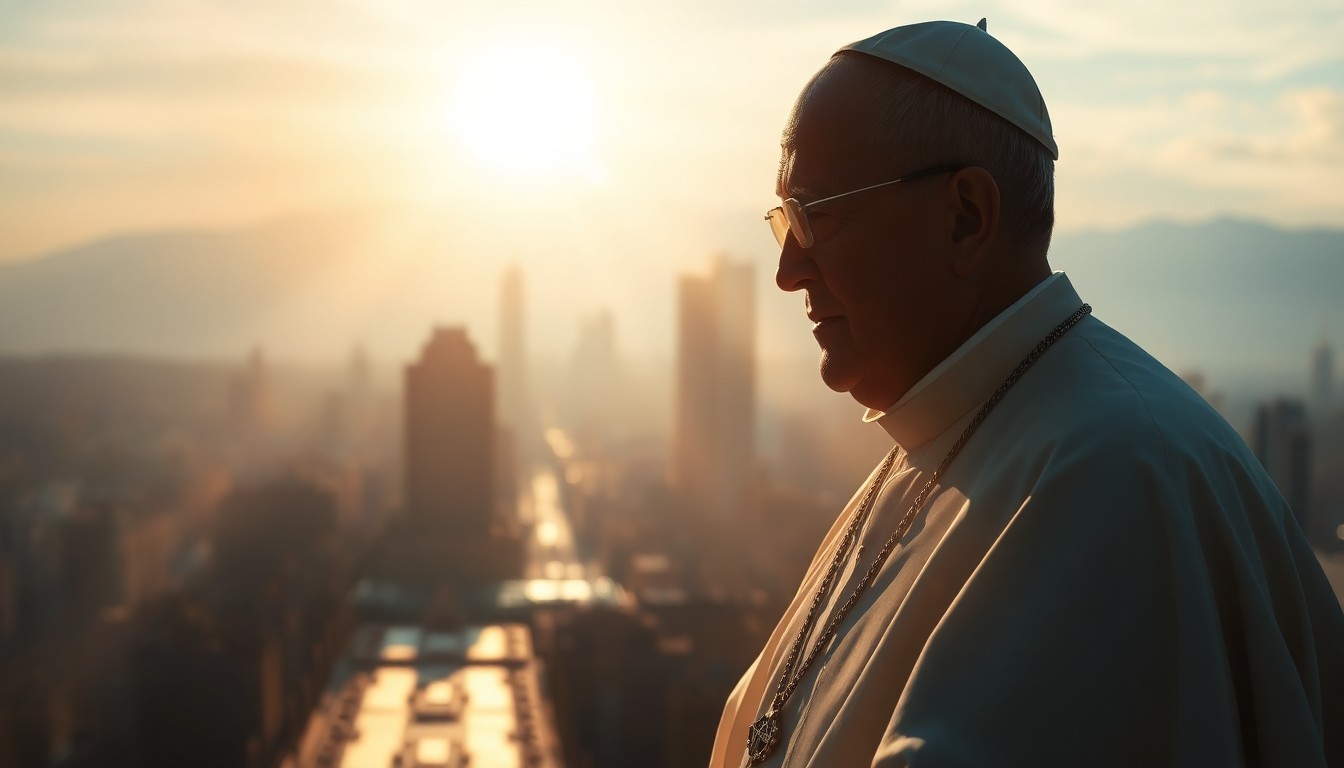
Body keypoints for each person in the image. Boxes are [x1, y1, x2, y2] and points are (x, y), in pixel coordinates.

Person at [709, 18, 1344, 768]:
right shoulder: (944, 435)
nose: (788, 271)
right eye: (785, 221)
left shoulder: (1116, 475)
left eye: (819, 217)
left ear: (966, 217)